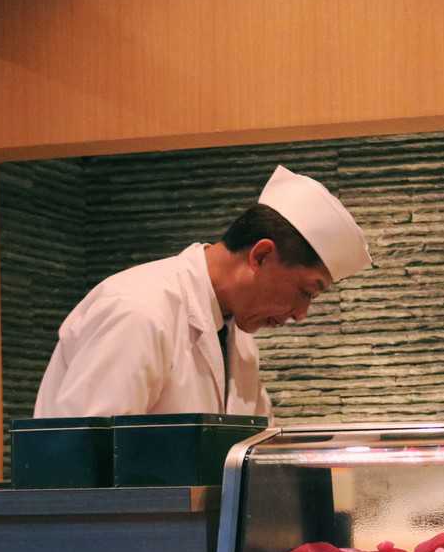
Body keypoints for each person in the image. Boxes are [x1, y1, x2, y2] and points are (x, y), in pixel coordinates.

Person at [33, 166, 370, 418]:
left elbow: (254, 457)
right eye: (307, 292)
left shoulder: (239, 340)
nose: (300, 314)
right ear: (261, 255)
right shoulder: (139, 310)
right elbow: (82, 470)